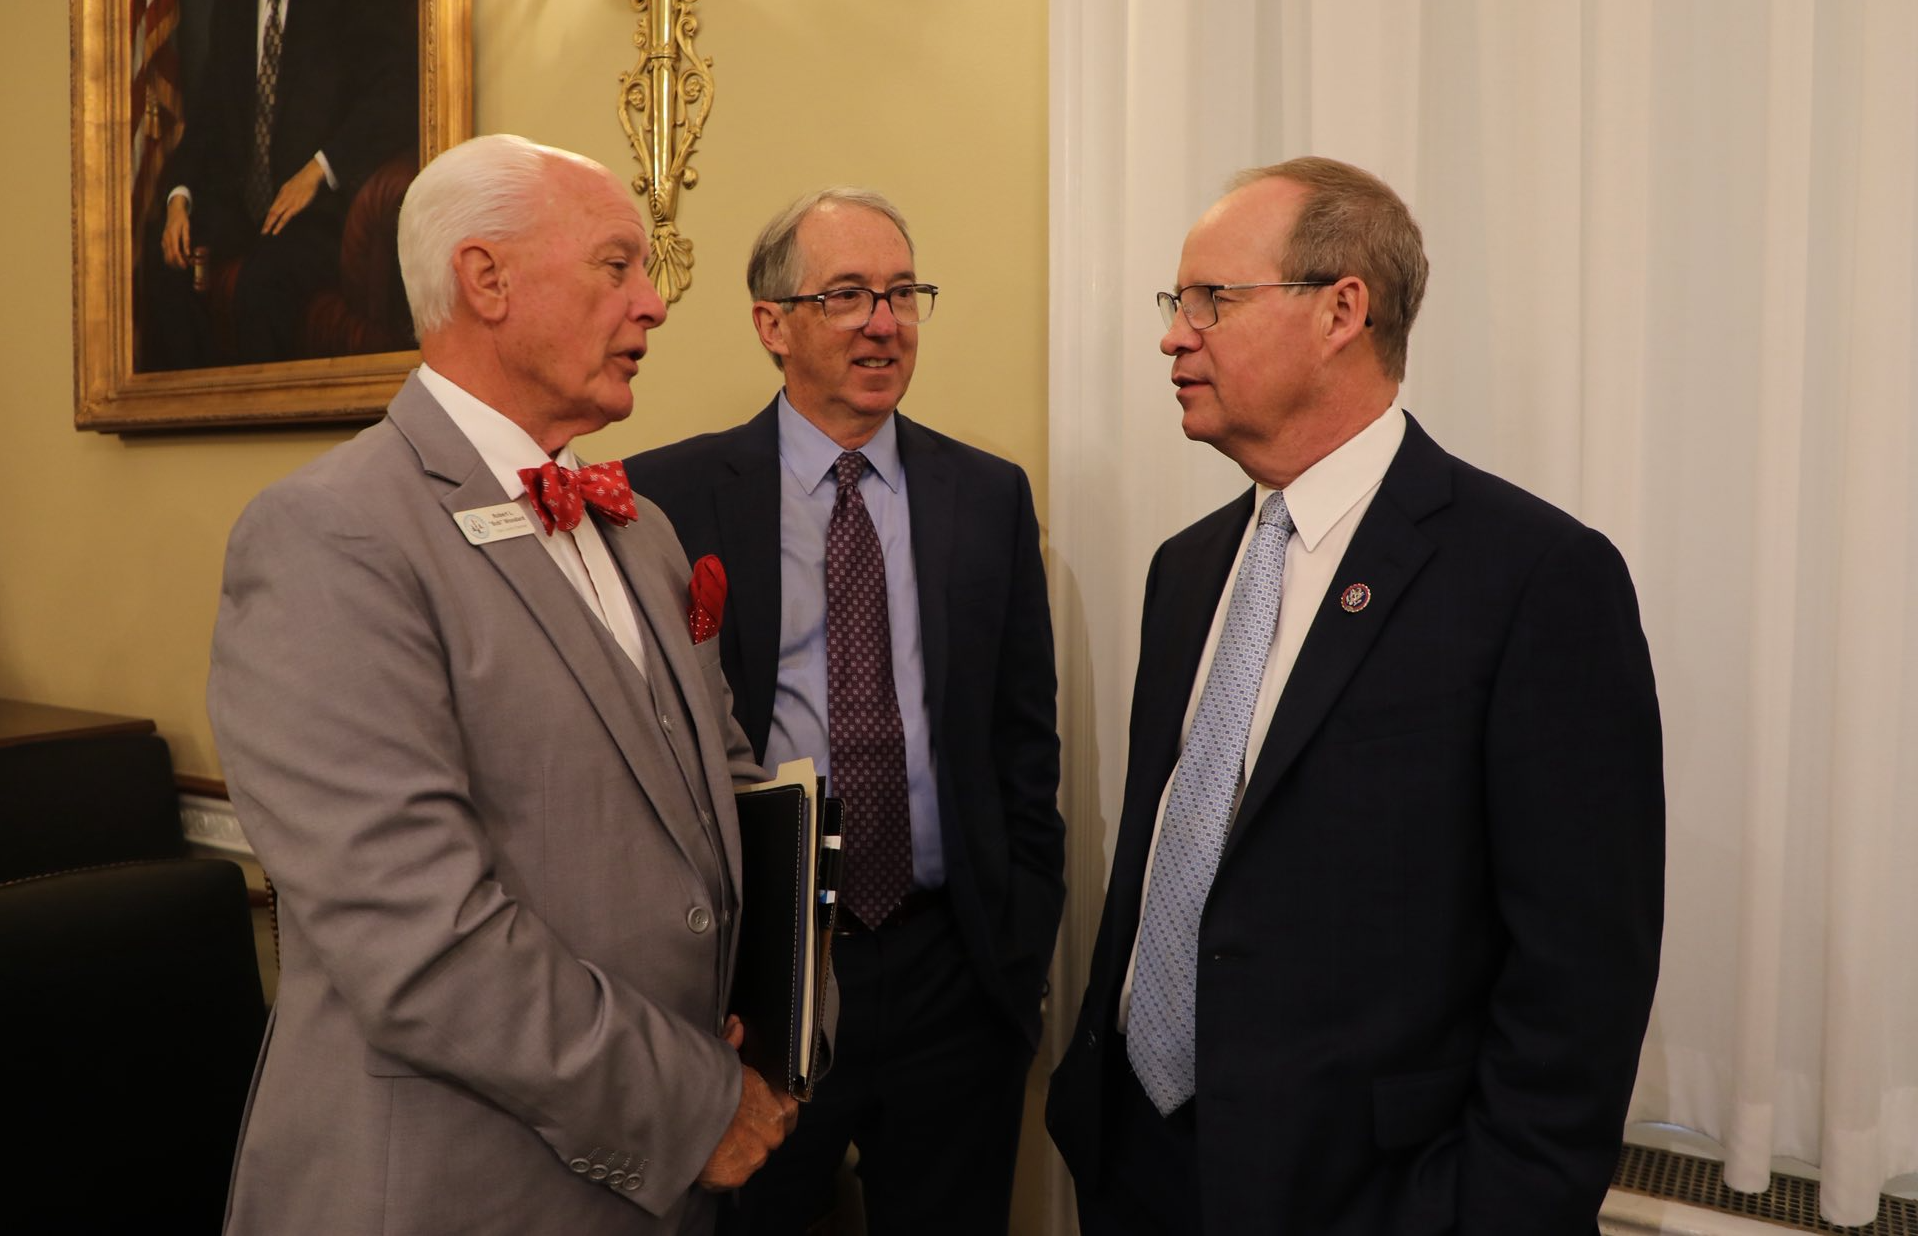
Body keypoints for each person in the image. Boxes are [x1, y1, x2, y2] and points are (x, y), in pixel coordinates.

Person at [1046, 157, 1665, 1235]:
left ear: (1341, 310)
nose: (1174, 336)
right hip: (1136, 1168)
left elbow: (1579, 982)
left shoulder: (1532, 579)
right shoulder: (1185, 570)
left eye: (1212, 299)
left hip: (1367, 1195)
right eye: (1174, 302)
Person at [207, 134, 797, 1235]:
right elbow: (418, 936)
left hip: (663, 1178)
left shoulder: (644, 529)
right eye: (616, 265)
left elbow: (724, 791)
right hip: (457, 1183)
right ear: (486, 280)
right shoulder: (329, 537)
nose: (654, 302)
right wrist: (688, 1103)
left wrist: (782, 1018)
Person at [624, 189, 1066, 1234]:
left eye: (903, 293)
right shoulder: (664, 498)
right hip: (763, 972)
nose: (883, 322)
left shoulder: (985, 496)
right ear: (771, 324)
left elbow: (1023, 741)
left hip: (950, 968)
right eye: (848, 295)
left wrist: (1017, 947)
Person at [149, 0, 415, 367]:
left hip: (321, 210)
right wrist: (179, 199)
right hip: (246, 210)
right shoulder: (231, 4)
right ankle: (197, 407)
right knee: (158, 255)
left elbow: (395, 93)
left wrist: (319, 169)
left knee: (261, 284)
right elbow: (205, 127)